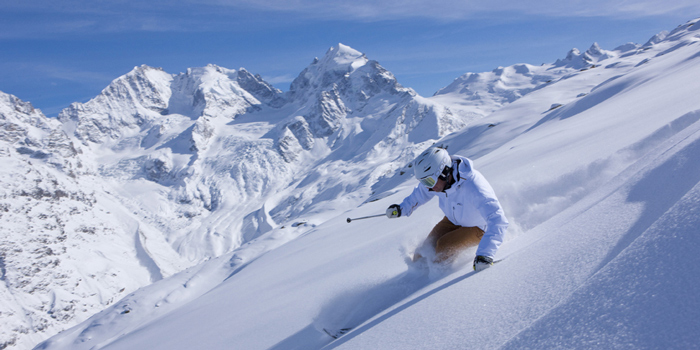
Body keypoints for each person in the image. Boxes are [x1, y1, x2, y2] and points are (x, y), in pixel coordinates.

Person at [386, 146, 508, 271]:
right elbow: (420, 194)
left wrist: (485, 255)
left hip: (479, 227)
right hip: (453, 220)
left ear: (444, 172)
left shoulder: (474, 186)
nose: (428, 187)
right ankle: (416, 280)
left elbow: (498, 219)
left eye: (428, 181)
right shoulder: (437, 182)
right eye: (424, 182)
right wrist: (402, 208)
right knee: (422, 252)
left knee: (444, 248)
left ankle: (434, 283)